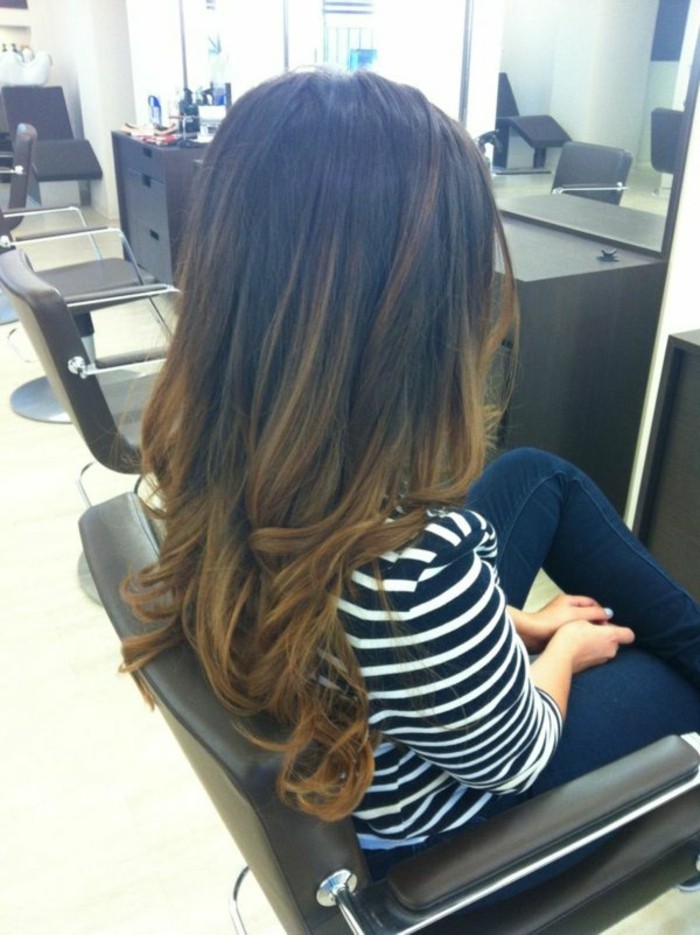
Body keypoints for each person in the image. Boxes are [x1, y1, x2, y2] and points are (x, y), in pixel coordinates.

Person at [122, 68, 700, 886]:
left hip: (371, 695)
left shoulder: (221, 465)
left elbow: (408, 634)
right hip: (443, 826)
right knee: (668, 681)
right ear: (409, 328)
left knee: (537, 478)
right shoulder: (411, 571)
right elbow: (520, 749)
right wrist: (563, 648)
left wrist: (510, 621)